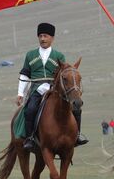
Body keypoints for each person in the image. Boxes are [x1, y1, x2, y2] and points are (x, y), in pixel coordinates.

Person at [17, 23, 87, 151]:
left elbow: (64, 74)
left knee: (75, 108)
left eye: (46, 36)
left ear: (52, 38)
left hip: (53, 89)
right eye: (40, 36)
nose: (43, 39)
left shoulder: (58, 56)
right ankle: (30, 138)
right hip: (36, 89)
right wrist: (20, 93)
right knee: (30, 109)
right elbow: (25, 75)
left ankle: (77, 135)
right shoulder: (30, 55)